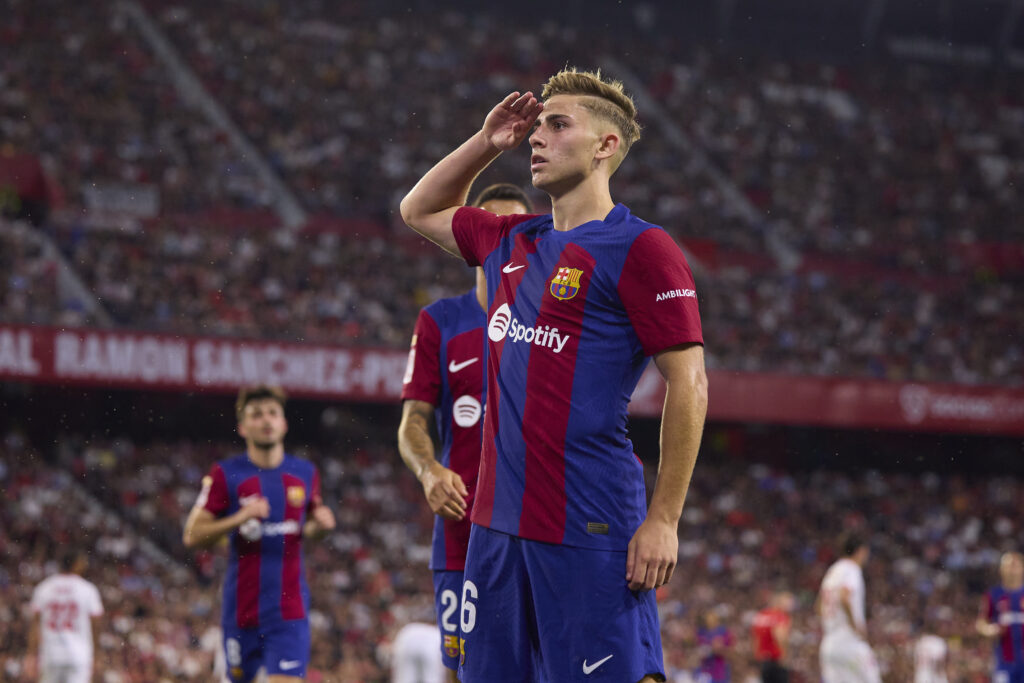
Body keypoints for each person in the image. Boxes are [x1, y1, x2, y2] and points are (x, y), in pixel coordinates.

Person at [400, 67, 708, 682]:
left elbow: (690, 383)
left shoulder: (642, 248)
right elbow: (419, 208)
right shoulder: (514, 239)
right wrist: (487, 144)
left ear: (606, 146)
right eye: (537, 125)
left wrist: (665, 519)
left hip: (588, 524)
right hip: (494, 531)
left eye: (558, 125)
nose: (537, 137)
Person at [398, 182, 533, 681]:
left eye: (512, 226)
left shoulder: (550, 320)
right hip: (464, 530)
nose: (498, 236)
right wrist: (429, 469)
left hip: (537, 527)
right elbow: (413, 420)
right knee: (464, 670)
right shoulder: (441, 321)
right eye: (488, 224)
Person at [183, 385, 336, 683]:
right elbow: (192, 535)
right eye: (256, 415)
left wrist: (322, 527)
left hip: (289, 613)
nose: (266, 421)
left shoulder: (305, 472)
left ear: (284, 423)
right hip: (241, 612)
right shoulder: (226, 474)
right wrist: (238, 518)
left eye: (272, 413)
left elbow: (306, 530)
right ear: (242, 427)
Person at [26, 549, 104, 683]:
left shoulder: (44, 588)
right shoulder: (87, 589)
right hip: (78, 654)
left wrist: (31, 654)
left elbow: (35, 625)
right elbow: (96, 624)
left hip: (50, 654)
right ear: (77, 564)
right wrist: (97, 654)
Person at [817, 532, 880, 683]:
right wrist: (855, 626)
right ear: (861, 550)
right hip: (849, 642)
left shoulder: (832, 571)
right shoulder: (852, 569)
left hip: (829, 644)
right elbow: (845, 597)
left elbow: (819, 605)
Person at [976, 551, 1024, 682]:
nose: (1012, 570)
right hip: (1004, 661)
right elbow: (981, 623)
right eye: (1008, 566)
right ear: (1001, 570)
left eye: (1016, 565)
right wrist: (990, 630)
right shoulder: (993, 595)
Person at [752, 591, 793, 683]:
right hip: (777, 660)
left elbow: (755, 638)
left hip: (764, 660)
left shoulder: (760, 615)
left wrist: (757, 657)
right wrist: (785, 655)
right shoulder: (780, 616)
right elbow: (780, 636)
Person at [694, 610, 733, 683]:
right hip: (706, 670)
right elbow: (699, 650)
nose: (710, 621)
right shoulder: (702, 633)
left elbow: (729, 651)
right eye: (708, 619)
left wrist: (719, 649)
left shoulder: (723, 632)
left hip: (720, 670)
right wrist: (712, 648)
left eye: (712, 619)